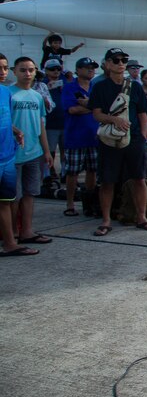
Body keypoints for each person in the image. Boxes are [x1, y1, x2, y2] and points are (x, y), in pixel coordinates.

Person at [89, 48, 147, 236]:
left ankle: (141, 217)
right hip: (109, 139)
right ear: (107, 64)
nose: (120, 63)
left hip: (134, 139)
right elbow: (96, 114)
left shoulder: (134, 86)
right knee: (107, 181)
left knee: (139, 178)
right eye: (116, 60)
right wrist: (114, 120)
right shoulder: (100, 87)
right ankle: (106, 220)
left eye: (123, 60)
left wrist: (143, 136)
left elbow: (143, 112)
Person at [11, 58, 54, 247]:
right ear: (15, 71)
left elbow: (41, 126)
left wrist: (46, 151)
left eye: (30, 70)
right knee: (13, 196)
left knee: (30, 193)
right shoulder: (8, 94)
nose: (27, 74)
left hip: (34, 153)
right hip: (12, 154)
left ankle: (27, 231)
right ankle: (12, 231)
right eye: (23, 70)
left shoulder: (37, 97)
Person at [0, 53, 36, 257]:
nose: (2, 72)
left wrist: (15, 130)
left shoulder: (5, 92)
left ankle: (10, 243)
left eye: (5, 67)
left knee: (5, 201)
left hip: (7, 156)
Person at [61, 57, 98, 217]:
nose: (91, 70)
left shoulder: (96, 87)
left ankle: (89, 202)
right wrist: (94, 107)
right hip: (75, 137)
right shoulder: (70, 88)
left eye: (92, 67)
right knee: (73, 172)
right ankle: (70, 203)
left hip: (94, 137)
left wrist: (87, 105)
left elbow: (103, 107)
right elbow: (72, 110)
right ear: (78, 69)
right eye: (87, 67)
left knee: (93, 170)